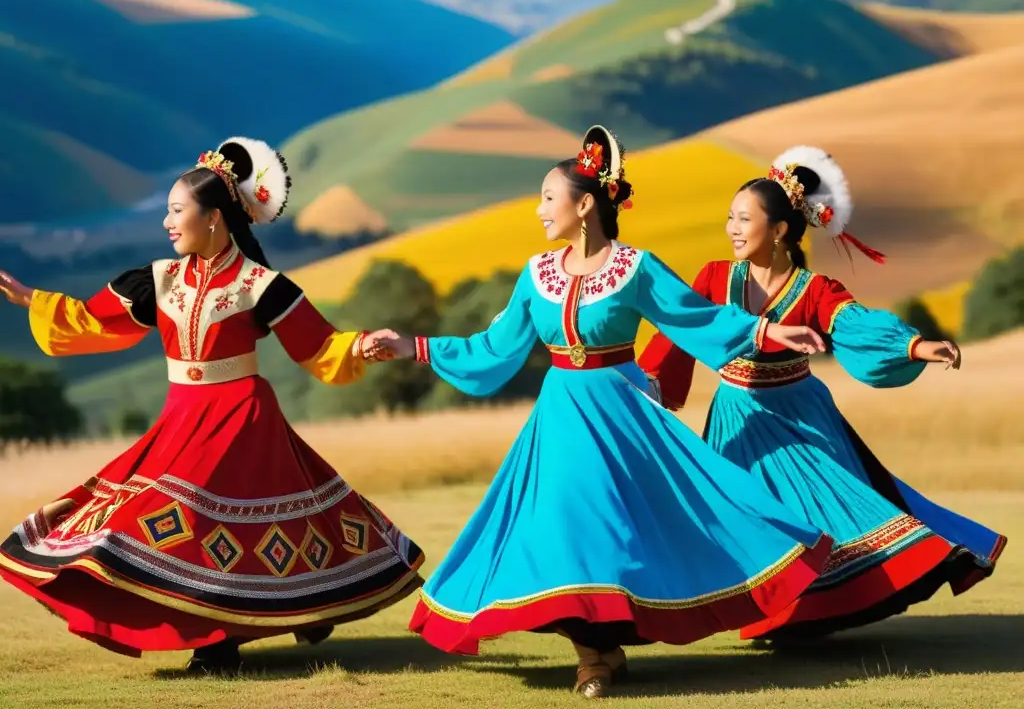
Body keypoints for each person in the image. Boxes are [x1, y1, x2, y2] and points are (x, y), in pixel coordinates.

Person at [366, 126, 837, 699]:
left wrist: (767, 328)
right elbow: (493, 349)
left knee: (622, 536)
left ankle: (608, 647)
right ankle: (593, 655)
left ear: (585, 203)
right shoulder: (537, 274)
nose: (539, 210)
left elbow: (695, 317)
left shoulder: (636, 268)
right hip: (560, 420)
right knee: (559, 532)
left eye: (547, 197)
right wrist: (412, 347)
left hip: (624, 417)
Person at [0, 138, 424, 674]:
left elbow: (317, 345)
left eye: (177, 211)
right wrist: (34, 300)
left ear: (215, 218)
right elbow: (94, 321)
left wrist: (360, 345)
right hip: (181, 415)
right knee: (140, 519)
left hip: (241, 418)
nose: (167, 224)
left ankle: (218, 644)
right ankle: (276, 611)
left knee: (200, 524)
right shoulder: (159, 280)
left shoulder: (260, 285)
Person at [637, 145, 1007, 643]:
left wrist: (915, 345)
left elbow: (856, 327)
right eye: (730, 217)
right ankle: (774, 617)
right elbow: (681, 330)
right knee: (754, 517)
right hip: (737, 418)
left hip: (802, 418)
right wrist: (641, 386)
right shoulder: (715, 279)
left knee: (826, 515)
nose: (732, 228)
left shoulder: (815, 290)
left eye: (744, 219)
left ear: (781, 230)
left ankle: (810, 614)